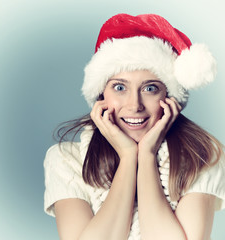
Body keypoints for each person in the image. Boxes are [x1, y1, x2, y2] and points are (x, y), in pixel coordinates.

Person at [44, 13, 225, 240]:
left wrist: (147, 156)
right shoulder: (65, 159)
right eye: (120, 88)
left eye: (150, 88)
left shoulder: (203, 157)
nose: (134, 105)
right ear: (101, 95)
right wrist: (128, 156)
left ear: (169, 98)